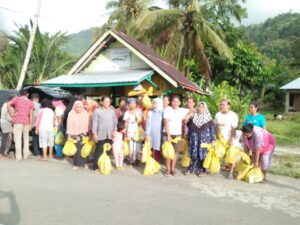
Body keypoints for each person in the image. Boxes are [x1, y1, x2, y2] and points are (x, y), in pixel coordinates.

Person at [184, 102, 215, 176]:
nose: (200, 108)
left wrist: (213, 140)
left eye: (202, 107)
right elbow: (190, 128)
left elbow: (211, 130)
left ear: (205, 108)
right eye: (199, 107)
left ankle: (202, 170)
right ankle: (190, 169)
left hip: (204, 139)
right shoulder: (193, 117)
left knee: (202, 154)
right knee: (193, 153)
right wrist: (188, 138)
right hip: (194, 138)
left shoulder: (208, 118)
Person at [163, 95, 189, 176]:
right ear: (171, 102)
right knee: (168, 153)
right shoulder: (167, 110)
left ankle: (172, 169)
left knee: (175, 152)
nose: (175, 103)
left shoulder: (182, 110)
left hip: (178, 134)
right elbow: (166, 122)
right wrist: (168, 135)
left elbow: (192, 110)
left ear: (180, 103)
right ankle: (167, 170)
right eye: (174, 101)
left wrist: (187, 117)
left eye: (177, 102)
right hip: (168, 134)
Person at [92, 96, 117, 173]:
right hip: (100, 134)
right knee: (99, 151)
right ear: (102, 102)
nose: (107, 103)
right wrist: (94, 134)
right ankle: (95, 167)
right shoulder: (97, 111)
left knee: (107, 151)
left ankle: (104, 166)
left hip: (109, 135)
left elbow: (114, 122)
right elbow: (95, 123)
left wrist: (114, 131)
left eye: (109, 101)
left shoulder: (112, 111)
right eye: (106, 101)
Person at [214, 99, 239, 179]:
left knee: (231, 155)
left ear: (228, 106)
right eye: (221, 104)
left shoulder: (233, 115)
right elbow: (215, 126)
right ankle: (215, 168)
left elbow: (233, 128)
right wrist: (217, 136)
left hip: (230, 138)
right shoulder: (217, 114)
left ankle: (231, 172)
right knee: (217, 153)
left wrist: (231, 139)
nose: (222, 106)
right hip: (220, 138)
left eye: (223, 105)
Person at [8, 89, 34, 161]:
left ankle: (18, 157)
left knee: (17, 139)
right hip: (26, 122)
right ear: (27, 94)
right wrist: (30, 125)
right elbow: (31, 114)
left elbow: (8, 104)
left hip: (17, 121)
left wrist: (11, 113)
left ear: (20, 94)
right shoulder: (30, 102)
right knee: (26, 139)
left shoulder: (16, 99)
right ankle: (25, 155)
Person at [66, 101, 89, 170]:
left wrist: (89, 134)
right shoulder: (71, 114)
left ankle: (85, 163)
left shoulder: (85, 114)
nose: (78, 108)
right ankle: (76, 164)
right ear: (74, 107)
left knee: (85, 149)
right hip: (75, 134)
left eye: (80, 107)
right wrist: (69, 136)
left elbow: (88, 125)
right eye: (77, 107)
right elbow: (69, 125)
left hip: (84, 134)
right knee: (77, 150)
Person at [123, 98, 143, 164]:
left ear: (136, 104)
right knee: (131, 145)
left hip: (137, 130)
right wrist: (125, 134)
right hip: (129, 130)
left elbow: (141, 121)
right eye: (131, 103)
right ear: (129, 104)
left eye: (133, 103)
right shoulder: (126, 112)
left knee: (138, 145)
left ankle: (137, 159)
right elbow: (125, 123)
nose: (132, 105)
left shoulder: (139, 111)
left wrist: (139, 120)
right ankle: (131, 160)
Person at [145, 98, 163, 163]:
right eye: (153, 103)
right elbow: (148, 124)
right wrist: (147, 134)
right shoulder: (150, 113)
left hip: (159, 134)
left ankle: (156, 163)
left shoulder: (162, 113)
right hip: (151, 133)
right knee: (151, 148)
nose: (154, 105)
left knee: (158, 149)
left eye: (156, 103)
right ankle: (151, 163)